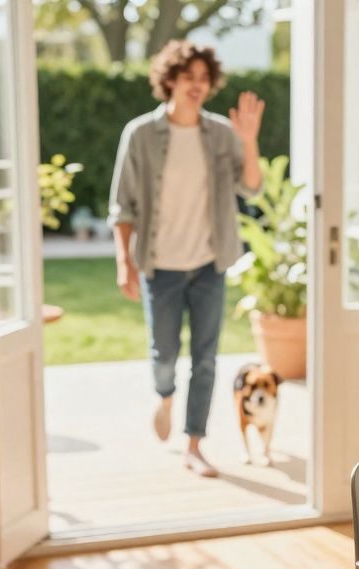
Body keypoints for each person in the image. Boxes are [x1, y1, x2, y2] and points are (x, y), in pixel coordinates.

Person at [108, 40, 265, 478]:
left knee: (206, 357)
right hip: (160, 266)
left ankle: (193, 444)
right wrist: (125, 260)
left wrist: (248, 142)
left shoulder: (220, 134)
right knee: (163, 355)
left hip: (208, 264)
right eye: (187, 77)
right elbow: (122, 205)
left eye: (203, 78)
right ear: (170, 80)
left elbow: (251, 188)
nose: (197, 86)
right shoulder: (139, 134)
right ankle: (164, 397)